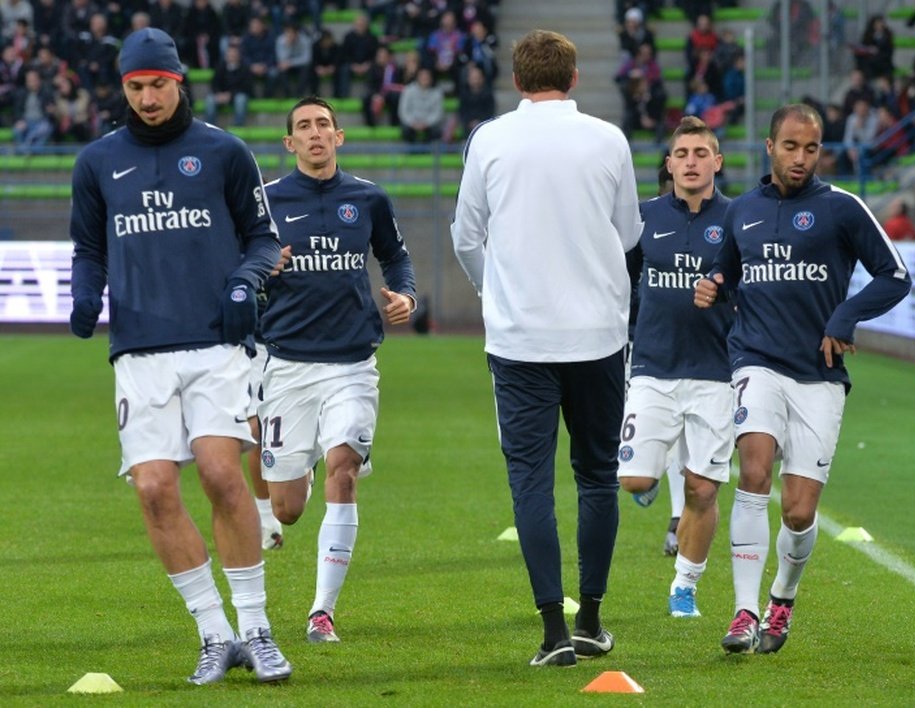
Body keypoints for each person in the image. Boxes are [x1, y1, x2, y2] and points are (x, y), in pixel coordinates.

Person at [68, 27, 292, 685]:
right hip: (139, 349)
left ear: (177, 81)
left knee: (222, 476)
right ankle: (213, 634)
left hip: (218, 344)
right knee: (153, 487)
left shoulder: (223, 152)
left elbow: (262, 239)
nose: (146, 98)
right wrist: (86, 294)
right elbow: (88, 247)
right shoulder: (97, 162)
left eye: (156, 85)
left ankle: (256, 628)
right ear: (125, 88)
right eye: (135, 87)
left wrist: (245, 280)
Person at [451, 29, 643, 667]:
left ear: (515, 79)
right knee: (597, 476)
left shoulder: (490, 139)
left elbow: (464, 235)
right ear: (575, 77)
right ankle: (590, 620)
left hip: (520, 338)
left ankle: (553, 633)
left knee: (530, 481)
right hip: (597, 336)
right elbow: (629, 233)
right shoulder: (608, 139)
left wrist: (493, 293)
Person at [694, 103, 912, 655]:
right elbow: (727, 270)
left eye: (811, 148)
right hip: (755, 360)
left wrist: (844, 318)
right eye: (790, 147)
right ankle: (743, 613)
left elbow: (896, 275)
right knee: (753, 469)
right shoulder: (741, 210)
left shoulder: (841, 208)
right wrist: (713, 283)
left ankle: (781, 600)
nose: (800, 158)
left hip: (819, 375)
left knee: (798, 510)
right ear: (769, 147)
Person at [259, 96, 416, 643]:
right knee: (289, 508)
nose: (315, 133)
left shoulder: (367, 198)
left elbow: (396, 258)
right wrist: (262, 267)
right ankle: (305, 457)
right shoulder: (267, 203)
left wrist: (407, 296)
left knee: (344, 468)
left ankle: (320, 612)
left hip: (352, 362)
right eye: (303, 126)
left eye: (323, 124)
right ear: (290, 143)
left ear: (339, 136)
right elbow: (238, 268)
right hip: (286, 367)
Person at [617, 116, 735, 619]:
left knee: (701, 489)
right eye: (682, 154)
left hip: (717, 373)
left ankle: (684, 586)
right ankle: (646, 478)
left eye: (700, 153)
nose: (691, 162)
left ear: (717, 162)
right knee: (635, 482)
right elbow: (618, 284)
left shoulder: (738, 219)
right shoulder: (641, 219)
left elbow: (757, 286)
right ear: (668, 164)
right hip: (651, 367)